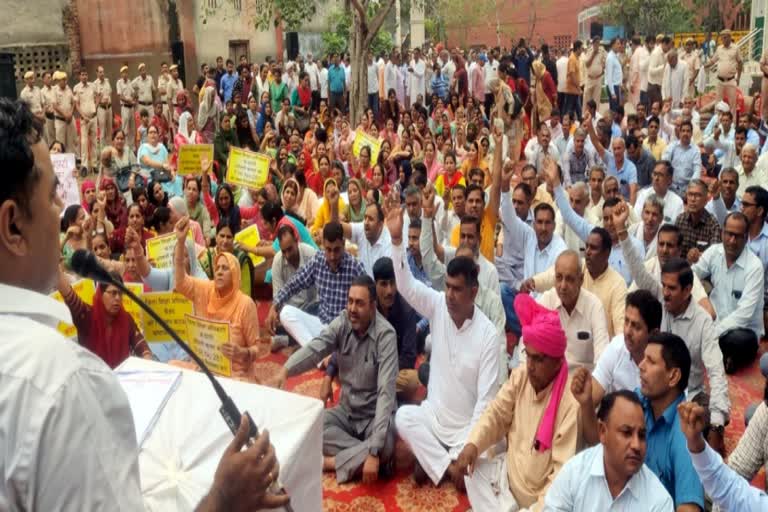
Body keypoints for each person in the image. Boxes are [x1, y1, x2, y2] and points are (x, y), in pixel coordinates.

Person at [0, 98, 289, 510]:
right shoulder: (62, 385)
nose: (65, 218)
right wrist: (223, 499)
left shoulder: (241, 300)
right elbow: (179, 282)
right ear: (13, 225)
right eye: (51, 198)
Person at [387, 196, 500, 489]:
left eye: (457, 290)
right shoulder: (438, 305)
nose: (449, 295)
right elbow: (406, 286)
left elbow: (486, 402)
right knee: (404, 417)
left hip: (464, 429)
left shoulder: (487, 335)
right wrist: (397, 241)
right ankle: (447, 467)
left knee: (490, 446)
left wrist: (470, 445)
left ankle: (433, 461)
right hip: (433, 418)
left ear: (473, 292)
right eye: (447, 287)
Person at [269, 275, 398, 484]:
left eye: (360, 303)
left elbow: (386, 393)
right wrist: (286, 370)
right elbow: (316, 348)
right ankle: (363, 458)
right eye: (350, 301)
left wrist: (374, 451)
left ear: (373, 306)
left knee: (386, 445)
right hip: (347, 411)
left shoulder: (386, 336)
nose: (353, 309)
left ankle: (330, 462)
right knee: (314, 427)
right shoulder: (343, 322)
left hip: (374, 416)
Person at [455, 293, 579, 510]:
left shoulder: (569, 404)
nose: (530, 365)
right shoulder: (521, 376)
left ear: (558, 362)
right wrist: (473, 445)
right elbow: (496, 414)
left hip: (536, 499)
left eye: (538, 359)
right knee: (473, 473)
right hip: (507, 476)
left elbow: (560, 478)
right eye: (527, 355)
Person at [574, 332, 705, 510]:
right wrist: (586, 403)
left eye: (650, 361)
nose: (641, 366)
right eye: (643, 359)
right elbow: (596, 439)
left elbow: (689, 508)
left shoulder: (684, 433)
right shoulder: (637, 402)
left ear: (673, 376)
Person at [544, 390, 674, 510]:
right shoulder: (574, 474)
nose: (636, 445)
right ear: (602, 431)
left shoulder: (659, 501)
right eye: (626, 432)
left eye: (641, 435)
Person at [267, 222, 365, 347]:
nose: (332, 256)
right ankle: (318, 352)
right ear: (323, 245)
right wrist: (275, 305)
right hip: (322, 325)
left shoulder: (355, 267)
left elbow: (367, 303)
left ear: (343, 244)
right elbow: (294, 283)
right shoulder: (318, 260)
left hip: (345, 331)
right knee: (286, 313)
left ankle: (315, 351)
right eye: (328, 250)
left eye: (336, 250)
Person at [693, 212, 764, 374]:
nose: (732, 241)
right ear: (722, 233)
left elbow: (743, 315)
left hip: (741, 331)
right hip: (712, 320)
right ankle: (721, 355)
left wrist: (713, 332)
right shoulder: (713, 252)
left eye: (738, 236)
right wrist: (701, 299)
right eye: (729, 234)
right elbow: (691, 276)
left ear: (746, 238)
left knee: (738, 341)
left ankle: (714, 349)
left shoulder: (754, 267)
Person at [57, 269, 153, 368]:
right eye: (113, 293)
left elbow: (140, 344)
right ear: (101, 293)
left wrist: (148, 360)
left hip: (120, 380)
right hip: (93, 380)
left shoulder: (126, 319)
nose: (117, 298)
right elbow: (69, 295)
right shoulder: (86, 316)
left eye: (120, 293)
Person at [537, 250, 610, 372]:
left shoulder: (594, 306)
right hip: (552, 380)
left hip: (583, 382)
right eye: (559, 278)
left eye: (569, 279)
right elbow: (528, 343)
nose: (563, 286)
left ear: (581, 280)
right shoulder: (547, 301)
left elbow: (602, 358)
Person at [674, 179, 722, 263]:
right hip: (681, 269)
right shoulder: (680, 220)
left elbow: (714, 257)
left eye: (698, 195)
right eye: (690, 194)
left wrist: (699, 256)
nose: (693, 199)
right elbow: (674, 250)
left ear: (706, 199)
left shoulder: (713, 225)